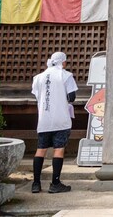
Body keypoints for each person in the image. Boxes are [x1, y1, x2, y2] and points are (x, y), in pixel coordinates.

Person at [30, 51, 78, 193]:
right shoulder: (66, 75)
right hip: (61, 118)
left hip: (44, 118)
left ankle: (36, 183)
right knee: (58, 149)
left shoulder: (38, 77)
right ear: (62, 62)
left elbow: (37, 95)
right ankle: (55, 183)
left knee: (41, 149)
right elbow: (72, 96)